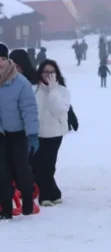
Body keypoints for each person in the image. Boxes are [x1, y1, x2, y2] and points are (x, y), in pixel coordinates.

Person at [0, 51, 40, 218]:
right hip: (1, 134)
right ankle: (6, 210)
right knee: (2, 172)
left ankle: (28, 203)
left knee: (22, 170)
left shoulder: (20, 82)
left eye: (2, 58)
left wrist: (32, 135)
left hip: (19, 134)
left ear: (8, 60)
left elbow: (29, 109)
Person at [32, 60, 71, 206]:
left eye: (52, 72)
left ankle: (45, 196)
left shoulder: (63, 91)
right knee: (37, 165)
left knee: (49, 164)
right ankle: (54, 193)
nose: (48, 75)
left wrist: (53, 90)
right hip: (37, 133)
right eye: (46, 72)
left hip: (55, 133)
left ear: (57, 74)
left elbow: (59, 110)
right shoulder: (33, 89)